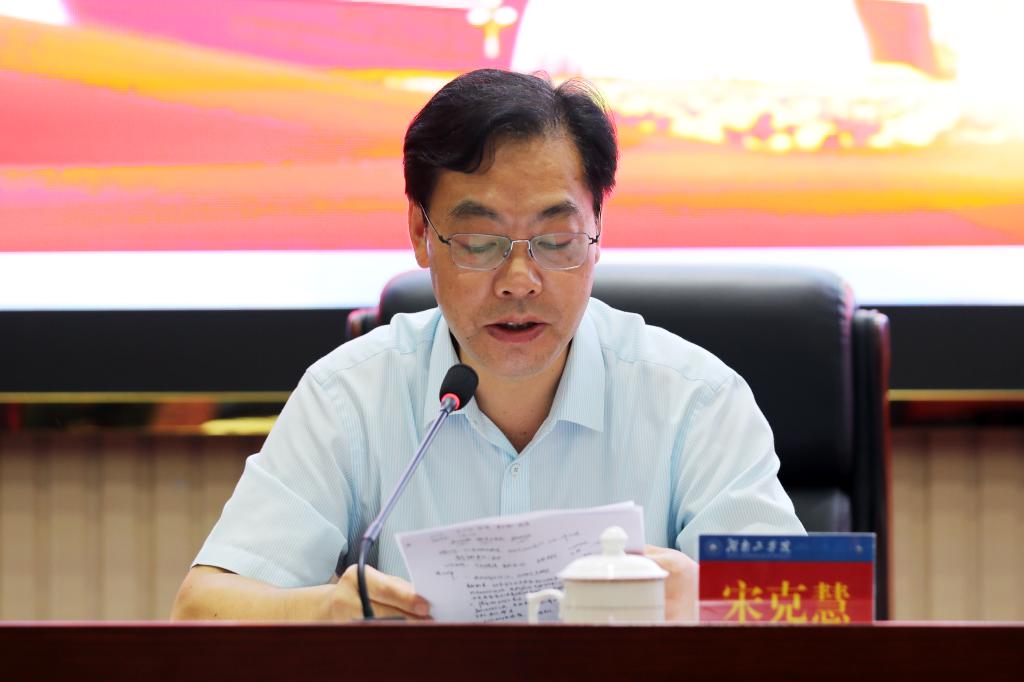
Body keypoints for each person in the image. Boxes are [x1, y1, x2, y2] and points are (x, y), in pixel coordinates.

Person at [171, 69, 804, 623]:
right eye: (479, 242)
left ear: (598, 232)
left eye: (556, 242)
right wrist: (325, 612)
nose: (519, 280)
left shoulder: (696, 400)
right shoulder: (351, 396)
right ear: (421, 233)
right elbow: (202, 610)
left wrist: (708, 605)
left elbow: (808, 611)